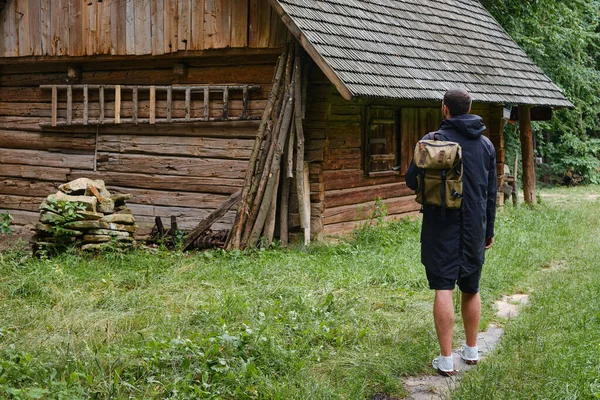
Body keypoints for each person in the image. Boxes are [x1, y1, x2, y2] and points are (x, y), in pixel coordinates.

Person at [405, 88, 497, 376]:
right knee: (471, 287)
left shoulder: (430, 142)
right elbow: (490, 194)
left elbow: (410, 181)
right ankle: (471, 351)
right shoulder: (485, 146)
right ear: (469, 109)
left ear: (444, 109)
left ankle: (446, 359)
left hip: (439, 223)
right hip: (474, 226)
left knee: (443, 287)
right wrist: (488, 230)